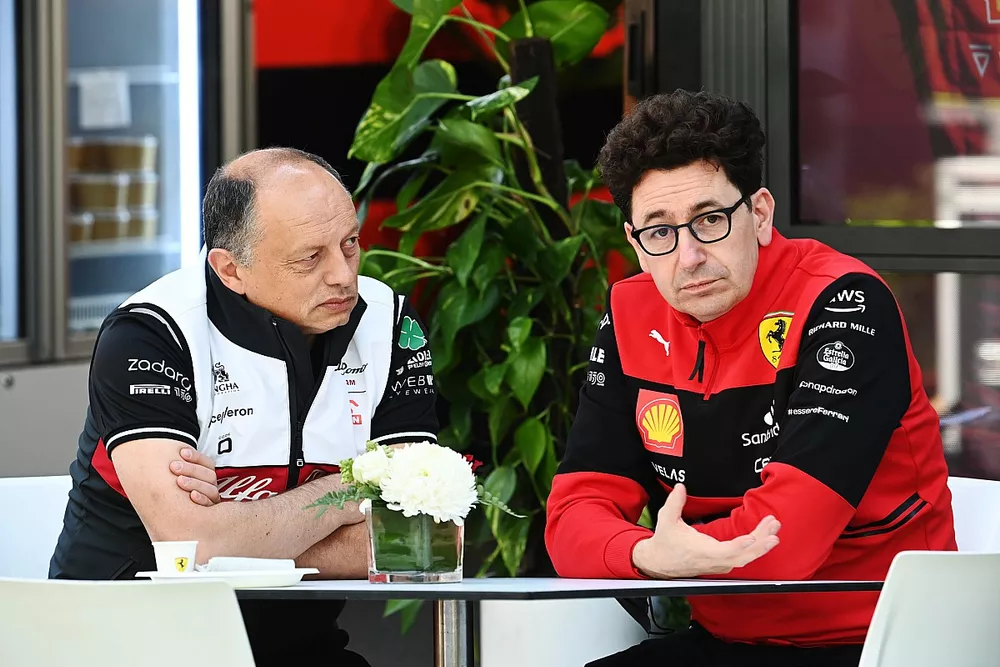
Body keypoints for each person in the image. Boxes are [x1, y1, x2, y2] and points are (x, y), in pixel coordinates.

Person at [545, 90, 957, 667]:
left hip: (881, 640)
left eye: (710, 220)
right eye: (659, 232)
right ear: (635, 245)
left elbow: (784, 541)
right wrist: (647, 555)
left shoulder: (843, 303)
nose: (687, 256)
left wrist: (663, 556)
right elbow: (572, 516)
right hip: (730, 640)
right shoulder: (630, 314)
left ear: (759, 215)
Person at [49, 147, 440, 667]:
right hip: (127, 641)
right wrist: (351, 488)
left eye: (349, 244)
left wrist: (231, 539)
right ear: (230, 269)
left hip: (297, 646)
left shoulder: (389, 325)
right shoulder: (150, 333)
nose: (343, 276)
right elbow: (191, 543)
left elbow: (423, 541)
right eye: (310, 258)